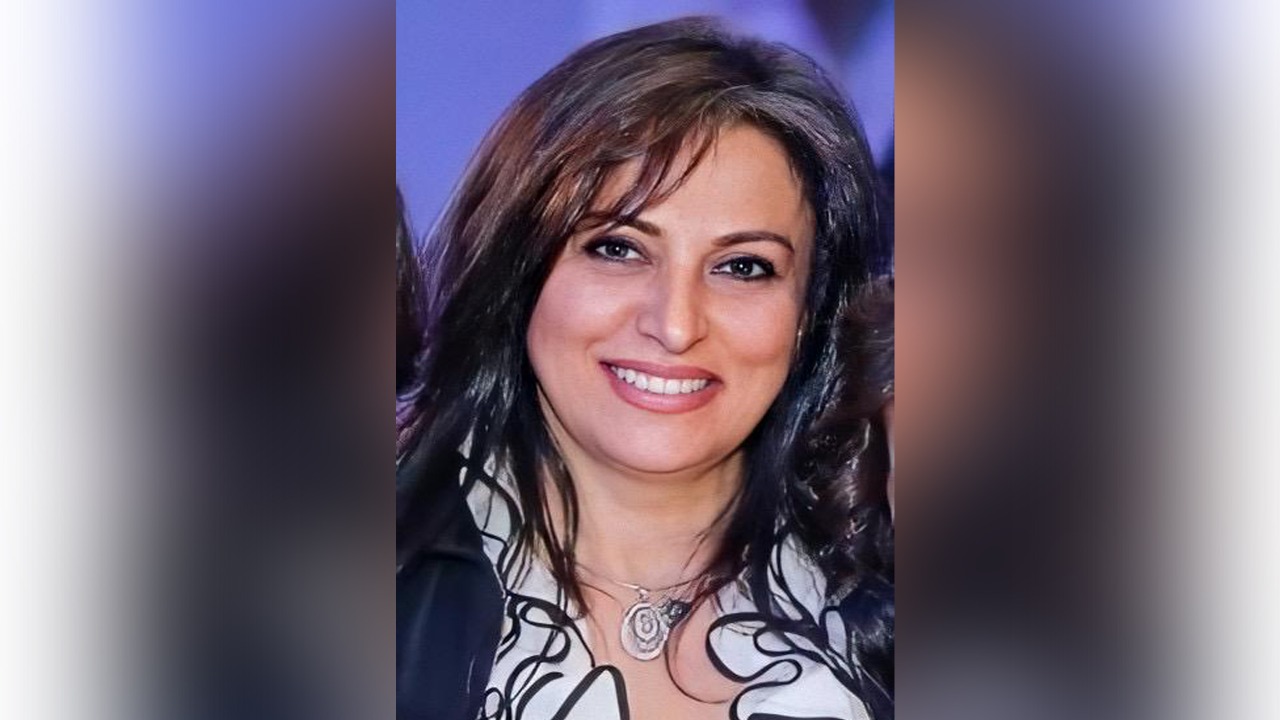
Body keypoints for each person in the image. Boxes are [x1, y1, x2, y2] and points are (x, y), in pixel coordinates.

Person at [397, 17, 890, 720]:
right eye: (619, 248)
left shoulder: (891, 591)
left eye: (743, 267)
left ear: (810, 310)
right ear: (517, 272)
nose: (676, 324)